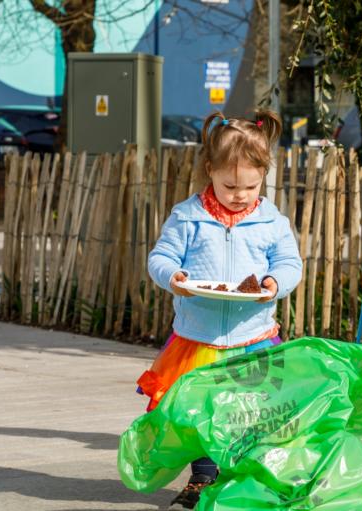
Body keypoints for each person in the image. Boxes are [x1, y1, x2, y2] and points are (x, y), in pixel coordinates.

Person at [137, 110, 302, 510]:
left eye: (251, 185)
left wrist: (275, 284)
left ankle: (244, 478)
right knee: (201, 414)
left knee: (249, 413)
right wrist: (173, 277)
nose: (241, 194)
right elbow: (161, 257)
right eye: (230, 185)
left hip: (253, 338)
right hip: (198, 338)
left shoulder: (271, 221)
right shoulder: (188, 216)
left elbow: (289, 263)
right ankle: (203, 476)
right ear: (209, 170)